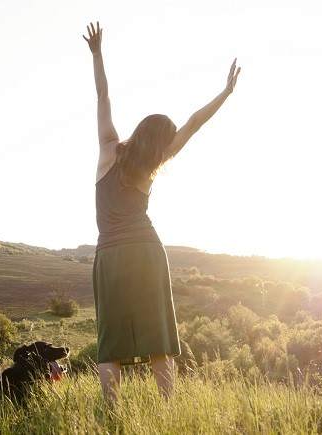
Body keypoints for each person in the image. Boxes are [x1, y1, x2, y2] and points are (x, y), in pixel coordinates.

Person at [83, 21, 240, 402]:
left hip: (111, 255)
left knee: (111, 343)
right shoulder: (153, 162)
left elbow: (103, 97)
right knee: (159, 338)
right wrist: (225, 93)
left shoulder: (108, 149)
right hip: (148, 252)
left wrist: (97, 53)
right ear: (160, 143)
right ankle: (168, 411)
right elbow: (193, 124)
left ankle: (112, 412)